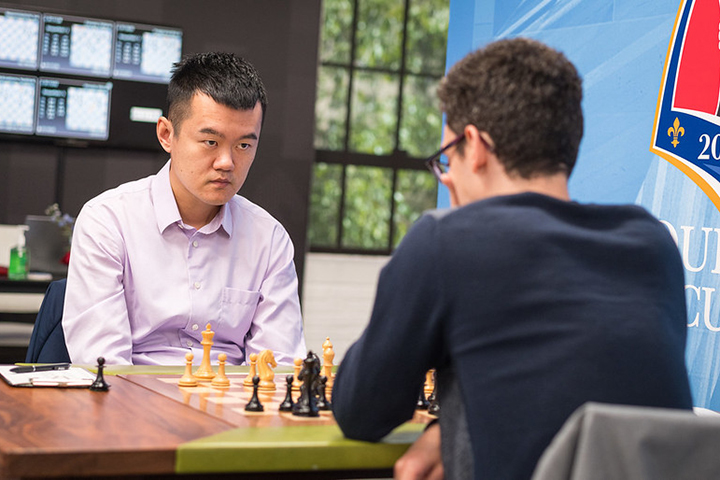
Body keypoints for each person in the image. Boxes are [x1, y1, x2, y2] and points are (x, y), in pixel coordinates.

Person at [331, 38, 693, 480]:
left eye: (446, 159)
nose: (448, 180)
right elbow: (587, 384)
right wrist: (453, 425)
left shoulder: (446, 240)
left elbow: (360, 410)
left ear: (475, 146)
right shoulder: (652, 244)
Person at [62, 52, 306, 366]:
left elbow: (278, 365)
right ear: (167, 134)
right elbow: (104, 365)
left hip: (230, 409)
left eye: (244, 145)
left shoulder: (269, 239)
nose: (226, 163)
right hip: (133, 406)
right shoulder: (108, 222)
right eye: (210, 142)